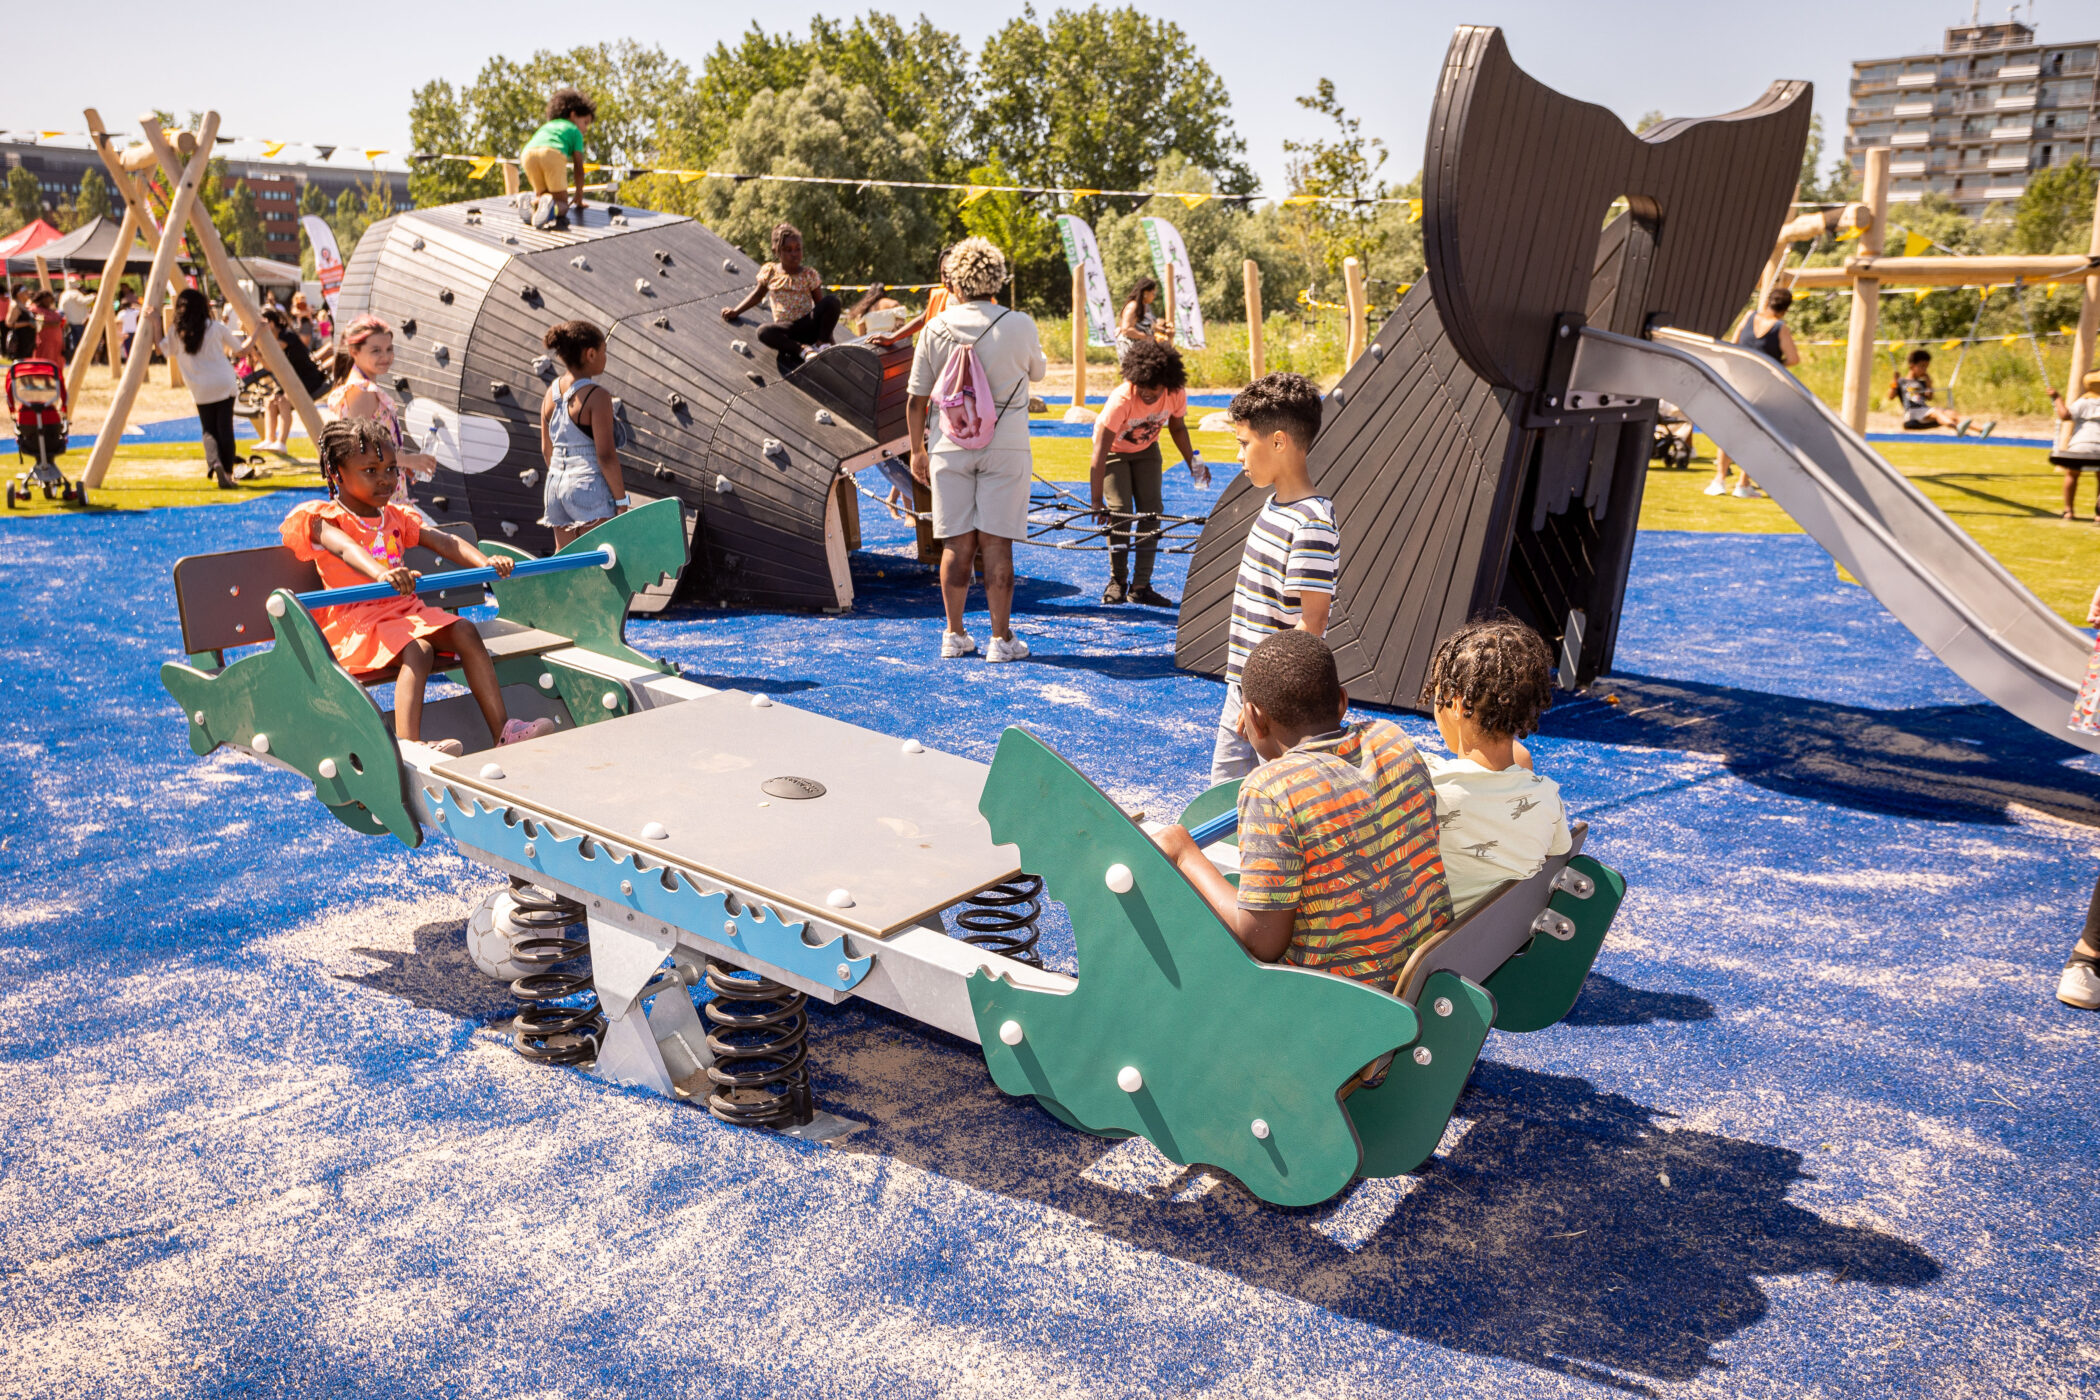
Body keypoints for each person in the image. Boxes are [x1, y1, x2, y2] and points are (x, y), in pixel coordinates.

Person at [1151, 629, 1451, 988]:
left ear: (1252, 716)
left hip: (1343, 997)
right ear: (1341, 700)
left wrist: (1184, 853)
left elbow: (1261, 941)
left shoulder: (1272, 789)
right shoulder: (1392, 740)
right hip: (1419, 976)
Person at [282, 419, 557, 754]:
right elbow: (345, 548)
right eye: (370, 470)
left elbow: (446, 542)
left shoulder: (395, 516)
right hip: (360, 622)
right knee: (419, 650)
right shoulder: (325, 519)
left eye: (391, 469)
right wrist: (382, 573)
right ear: (336, 472)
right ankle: (409, 747)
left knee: (465, 631)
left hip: (403, 612)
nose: (385, 478)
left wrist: (484, 564)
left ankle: (503, 730)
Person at [905, 235, 1046, 663]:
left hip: (949, 444)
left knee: (955, 544)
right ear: (996, 277)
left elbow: (915, 399)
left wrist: (917, 451)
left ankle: (954, 633)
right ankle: (1001, 640)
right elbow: (1036, 372)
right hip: (1006, 446)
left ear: (954, 280)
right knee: (998, 546)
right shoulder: (1019, 323)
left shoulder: (935, 327)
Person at [1211, 372, 1335, 784]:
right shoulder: (1273, 506)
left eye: (1244, 444)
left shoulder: (1312, 521)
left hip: (1273, 704)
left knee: (1277, 801)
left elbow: (1312, 624)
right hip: (1245, 689)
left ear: (1278, 442)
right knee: (1223, 799)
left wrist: (1266, 699)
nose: (1239, 456)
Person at [1417, 617, 1572, 916]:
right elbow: (1557, 858)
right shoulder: (1546, 797)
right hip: (1502, 947)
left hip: (1431, 951)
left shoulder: (1428, 781)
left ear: (1458, 705)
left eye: (1437, 695)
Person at [1087, 337, 1210, 606]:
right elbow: (1099, 452)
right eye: (1142, 387)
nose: (1148, 394)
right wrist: (1097, 501)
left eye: (1154, 389)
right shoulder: (1122, 399)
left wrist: (1196, 465)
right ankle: (1117, 580)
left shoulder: (1175, 394)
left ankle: (1141, 586)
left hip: (1146, 451)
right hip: (1114, 453)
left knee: (1152, 511)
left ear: (1166, 382)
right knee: (1120, 511)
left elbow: (1177, 428)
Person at [324, 313, 440, 508]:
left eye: (389, 349)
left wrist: (400, 464)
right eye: (376, 350)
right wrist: (410, 460)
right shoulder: (361, 391)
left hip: (379, 490)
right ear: (354, 351)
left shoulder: (364, 388)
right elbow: (361, 451)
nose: (385, 357)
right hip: (373, 496)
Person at [538, 318, 629, 547]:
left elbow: (546, 448)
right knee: (603, 555)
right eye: (604, 351)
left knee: (566, 560)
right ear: (590, 354)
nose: (605, 357)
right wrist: (621, 500)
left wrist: (564, 478)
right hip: (588, 484)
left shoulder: (552, 392)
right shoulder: (597, 396)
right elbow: (606, 456)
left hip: (555, 485)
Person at [1706, 287, 1803, 498]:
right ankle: (1743, 482)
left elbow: (1732, 345)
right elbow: (1794, 358)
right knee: (1755, 433)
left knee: (1730, 431)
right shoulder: (1781, 328)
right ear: (1786, 309)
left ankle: (1719, 479)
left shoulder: (1750, 316)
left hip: (1738, 381)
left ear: (1767, 302)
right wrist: (1776, 365)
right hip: (1762, 387)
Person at [723, 223, 841, 376]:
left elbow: (821, 307)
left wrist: (829, 340)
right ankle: (803, 350)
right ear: (776, 251)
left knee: (832, 301)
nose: (794, 254)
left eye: (798, 249)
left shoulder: (808, 274)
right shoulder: (771, 272)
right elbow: (758, 295)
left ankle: (821, 345)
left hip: (809, 325)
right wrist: (735, 311)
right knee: (763, 331)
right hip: (787, 331)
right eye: (788, 250)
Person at [158, 287, 243, 489]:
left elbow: (162, 350)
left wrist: (154, 322)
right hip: (223, 382)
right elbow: (240, 350)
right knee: (225, 428)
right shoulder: (215, 327)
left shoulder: (176, 333)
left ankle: (215, 462)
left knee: (209, 430)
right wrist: (258, 332)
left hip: (200, 387)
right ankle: (229, 474)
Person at [250, 306, 329, 451]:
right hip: (291, 380)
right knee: (271, 401)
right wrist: (254, 352)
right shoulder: (274, 341)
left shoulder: (287, 337)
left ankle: (281, 442)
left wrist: (254, 336)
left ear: (271, 324)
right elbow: (269, 366)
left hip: (308, 378)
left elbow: (272, 350)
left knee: (284, 400)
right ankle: (269, 439)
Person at [517, 88, 595, 231]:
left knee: (543, 197)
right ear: (573, 115)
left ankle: (528, 204)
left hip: (528, 154)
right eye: (585, 122)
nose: (586, 128)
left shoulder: (548, 126)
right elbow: (579, 167)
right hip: (551, 154)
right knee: (561, 203)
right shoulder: (574, 131)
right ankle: (554, 208)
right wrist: (579, 194)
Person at [1887, 348, 1988, 440]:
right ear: (1912, 366)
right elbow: (1890, 396)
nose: (1924, 370)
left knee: (1950, 413)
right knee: (1936, 411)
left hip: (1924, 412)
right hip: (1912, 413)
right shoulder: (1901, 381)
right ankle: (1957, 428)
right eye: (1922, 366)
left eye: (1926, 367)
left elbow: (1929, 397)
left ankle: (1981, 429)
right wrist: (1894, 381)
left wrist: (1929, 385)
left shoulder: (1922, 383)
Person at [868, 246, 953, 348]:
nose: (948, 280)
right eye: (944, 274)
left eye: (952, 273)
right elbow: (922, 319)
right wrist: (892, 338)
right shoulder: (939, 296)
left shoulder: (971, 301)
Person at [2047, 370, 2100, 520]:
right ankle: (2099, 515)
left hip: (2080, 447)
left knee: (2072, 474)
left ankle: (2068, 510)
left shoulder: (2083, 402)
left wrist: (2057, 398)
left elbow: (2065, 415)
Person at [1116, 276, 1171, 367]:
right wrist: (1147, 337)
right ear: (1145, 293)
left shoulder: (1145, 306)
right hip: (1131, 348)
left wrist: (1163, 331)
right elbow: (1126, 329)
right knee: (1135, 377)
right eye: (1153, 293)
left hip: (1142, 347)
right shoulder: (1133, 306)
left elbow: (1149, 325)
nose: (1154, 296)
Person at [58, 276, 91, 359]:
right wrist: (93, 297)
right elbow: (83, 301)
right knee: (79, 342)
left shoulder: (64, 294)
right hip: (77, 321)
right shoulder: (75, 294)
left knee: (70, 341)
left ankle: (72, 357)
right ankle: (79, 358)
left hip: (67, 321)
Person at [29, 290, 64, 364]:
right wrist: (52, 324)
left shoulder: (51, 310)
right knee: (44, 359)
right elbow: (38, 325)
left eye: (50, 300)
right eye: (46, 300)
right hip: (44, 340)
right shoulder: (36, 310)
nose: (48, 302)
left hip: (56, 342)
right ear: (40, 299)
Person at [4, 286, 37, 360]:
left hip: (28, 339)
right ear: (19, 294)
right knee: (21, 361)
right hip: (20, 340)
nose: (27, 293)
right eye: (25, 292)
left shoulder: (25, 305)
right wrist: (27, 323)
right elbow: (9, 323)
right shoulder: (15, 306)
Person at [116, 290, 140, 363]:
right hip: (134, 332)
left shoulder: (121, 314)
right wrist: (135, 305)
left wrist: (119, 333)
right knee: (135, 348)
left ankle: (129, 362)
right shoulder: (134, 312)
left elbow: (117, 324)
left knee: (127, 350)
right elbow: (141, 309)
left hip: (125, 333)